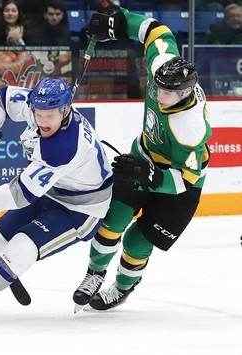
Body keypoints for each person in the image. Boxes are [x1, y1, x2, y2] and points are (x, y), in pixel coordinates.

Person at [0, 77, 114, 323]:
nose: (43, 121)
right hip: (50, 191)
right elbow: (1, 98)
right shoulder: (38, 105)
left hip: (82, 209)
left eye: (50, 115)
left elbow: (21, 193)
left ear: (66, 110)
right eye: (39, 113)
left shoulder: (65, 146)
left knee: (21, 247)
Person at [72, 7, 212, 312]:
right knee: (111, 222)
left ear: (186, 93)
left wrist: (149, 176)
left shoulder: (190, 129)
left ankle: (123, 287)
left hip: (176, 186)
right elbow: (155, 30)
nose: (159, 94)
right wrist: (117, 21)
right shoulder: (164, 67)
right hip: (144, 156)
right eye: (158, 86)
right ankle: (94, 273)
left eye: (168, 93)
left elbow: (186, 180)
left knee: (136, 241)